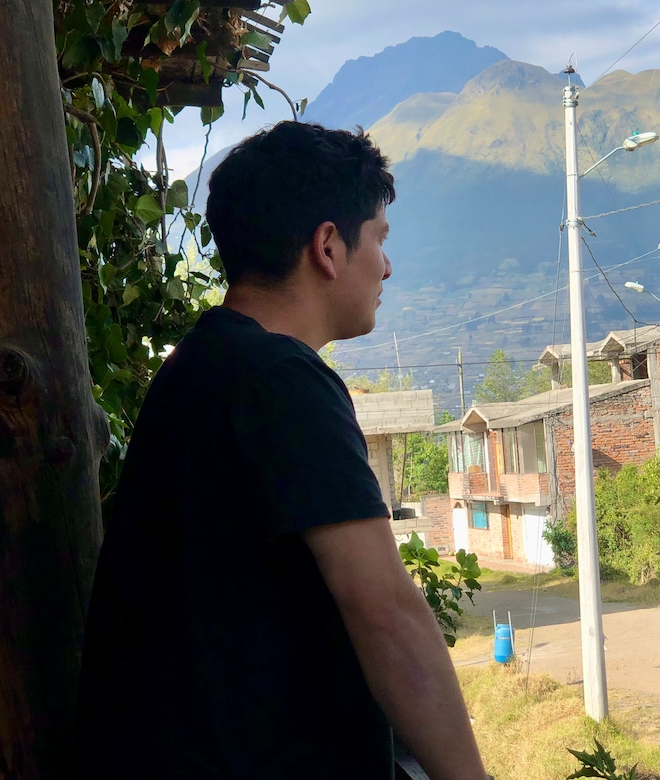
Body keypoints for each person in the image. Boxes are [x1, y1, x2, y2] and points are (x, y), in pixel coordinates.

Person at [75, 122, 488, 779]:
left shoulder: (197, 366)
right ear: (328, 247)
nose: (387, 265)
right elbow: (384, 609)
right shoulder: (281, 379)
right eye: (379, 239)